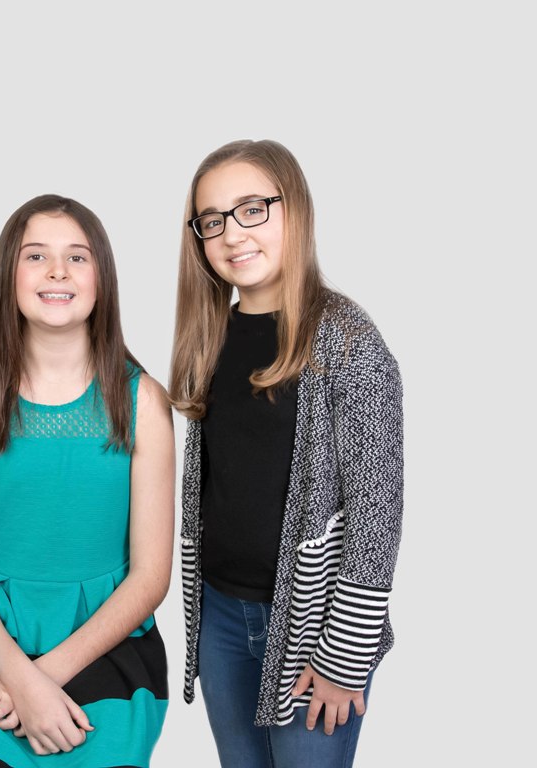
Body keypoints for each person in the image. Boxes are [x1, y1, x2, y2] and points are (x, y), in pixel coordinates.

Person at [0, 195, 174, 767]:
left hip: (104, 645)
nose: (57, 271)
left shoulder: (145, 402)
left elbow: (151, 576)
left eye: (77, 257)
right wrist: (16, 675)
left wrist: (41, 680)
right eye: (36, 256)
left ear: (102, 278)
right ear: (9, 276)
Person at [170, 139, 403, 768]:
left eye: (252, 209)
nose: (232, 234)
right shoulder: (212, 336)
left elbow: (376, 513)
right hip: (222, 614)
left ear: (293, 208)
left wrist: (344, 659)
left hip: (315, 625)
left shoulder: (347, 341)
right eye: (212, 220)